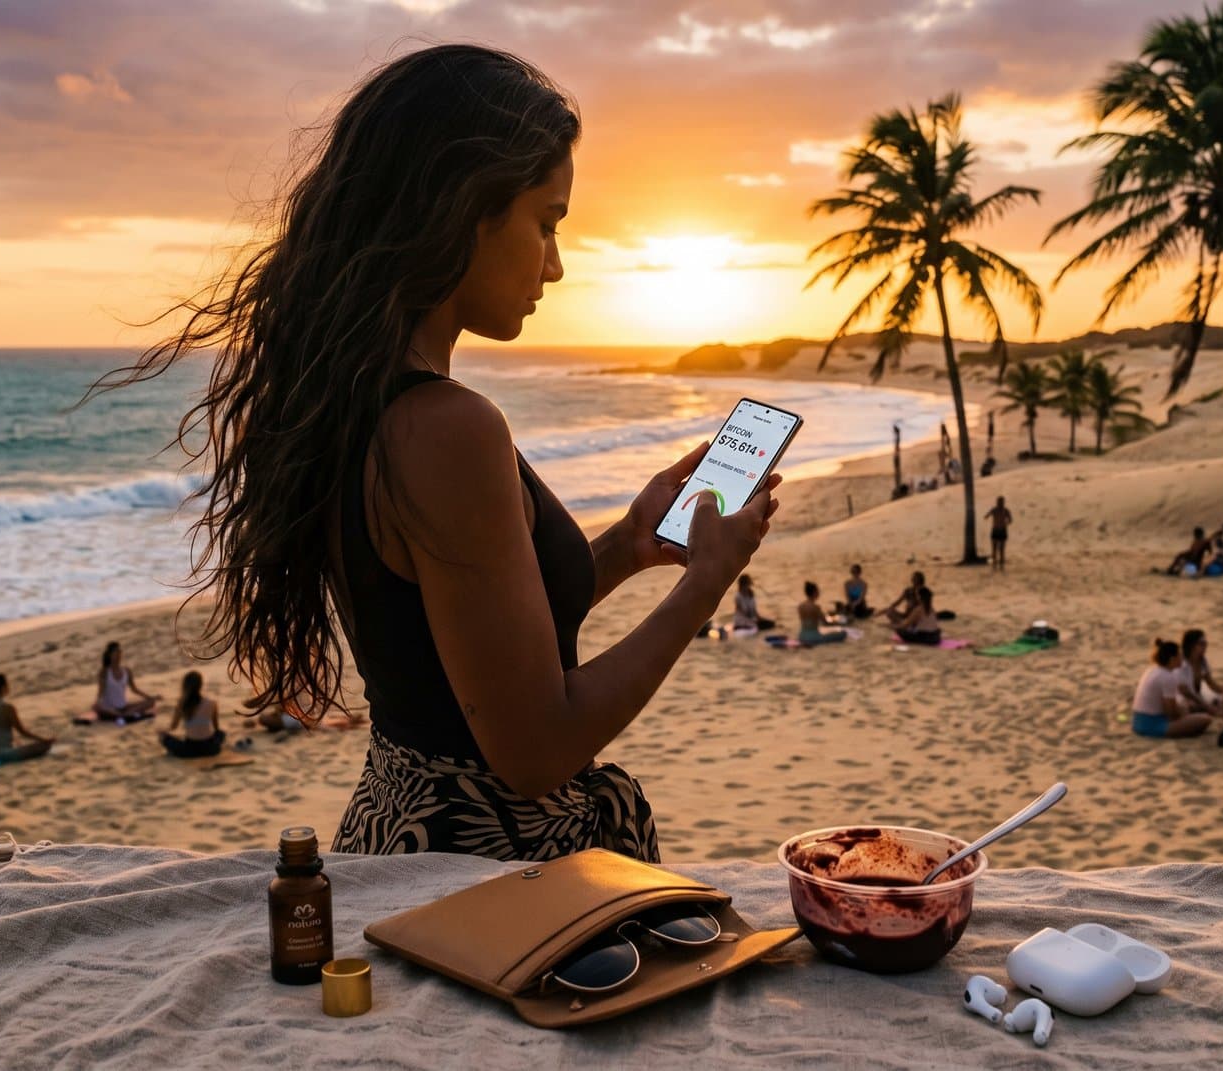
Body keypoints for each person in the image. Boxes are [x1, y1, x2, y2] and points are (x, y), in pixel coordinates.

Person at [86, 46, 778, 861]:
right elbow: (534, 750)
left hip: (399, 832)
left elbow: (463, 646)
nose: (555, 265)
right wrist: (706, 581)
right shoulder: (450, 428)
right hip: (487, 870)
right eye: (546, 223)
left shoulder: (352, 399)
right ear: (463, 209)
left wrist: (625, 548)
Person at [1132, 639, 1213, 739]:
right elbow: (1171, 714)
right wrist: (1183, 712)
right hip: (1151, 726)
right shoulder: (1167, 677)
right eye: (1179, 656)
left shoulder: (1153, 670)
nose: (1182, 659)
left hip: (1138, 721)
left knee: (1188, 708)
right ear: (1172, 659)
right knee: (1206, 719)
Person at [0, 673, 54, 764]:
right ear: (3, 687)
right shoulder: (8, 707)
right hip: (1, 753)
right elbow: (22, 732)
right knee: (40, 748)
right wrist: (44, 740)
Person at [158, 671, 225, 758]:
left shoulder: (182, 704)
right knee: (221, 733)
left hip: (190, 751)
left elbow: (173, 727)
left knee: (163, 737)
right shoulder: (212, 703)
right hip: (211, 749)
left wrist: (162, 731)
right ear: (201, 685)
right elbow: (216, 728)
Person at [92, 641, 157, 721]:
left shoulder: (126, 671)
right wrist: (98, 703)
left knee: (151, 702)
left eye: (119, 652)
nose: (118, 655)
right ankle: (127, 715)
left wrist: (150, 697)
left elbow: (134, 689)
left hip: (123, 707)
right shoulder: (105, 672)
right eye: (115, 652)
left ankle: (124, 715)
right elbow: (100, 692)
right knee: (97, 707)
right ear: (109, 655)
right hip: (109, 709)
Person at [1176, 629, 1223, 716]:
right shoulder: (1181, 664)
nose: (1205, 646)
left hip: (1197, 695)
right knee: (1188, 706)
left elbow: (1212, 684)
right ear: (1191, 645)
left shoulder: (1202, 661)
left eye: (1206, 643)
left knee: (1222, 699)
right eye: (1202, 644)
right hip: (1182, 698)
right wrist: (1206, 706)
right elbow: (1185, 692)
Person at [986, 496, 1013, 572]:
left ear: (1003, 502)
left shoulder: (1006, 510)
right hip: (995, 530)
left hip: (1002, 530)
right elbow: (987, 515)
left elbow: (1010, 520)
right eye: (999, 502)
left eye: (1001, 502)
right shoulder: (994, 510)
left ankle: (1001, 563)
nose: (1000, 503)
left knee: (1001, 549)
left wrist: (1005, 523)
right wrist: (988, 516)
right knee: (994, 548)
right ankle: (995, 563)